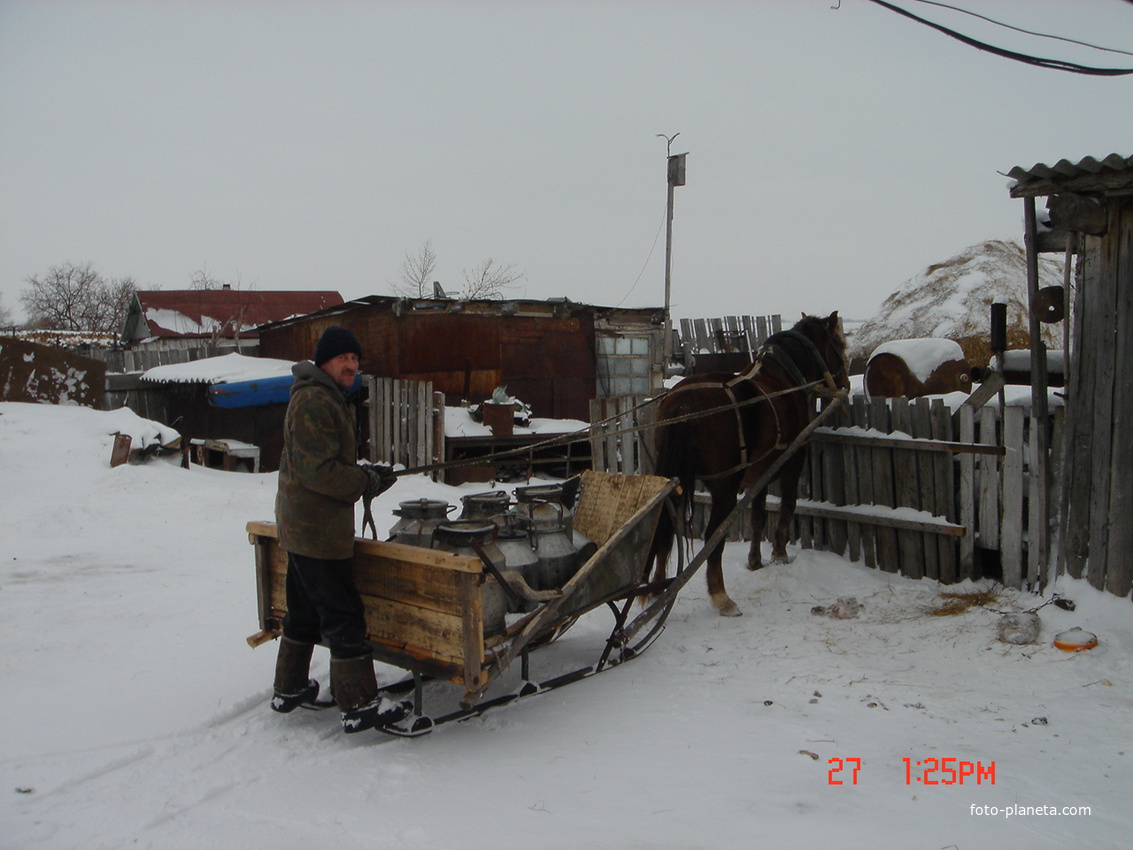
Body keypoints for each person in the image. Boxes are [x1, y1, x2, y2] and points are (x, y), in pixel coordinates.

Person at [270, 325, 400, 733]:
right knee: (344, 615)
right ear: (324, 360)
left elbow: (324, 462)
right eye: (344, 358)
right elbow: (319, 472)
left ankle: (290, 687)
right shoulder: (313, 400)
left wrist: (365, 474)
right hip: (318, 530)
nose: (351, 365)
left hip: (305, 526)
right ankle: (360, 704)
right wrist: (364, 483)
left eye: (355, 359)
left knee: (305, 610)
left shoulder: (324, 396)